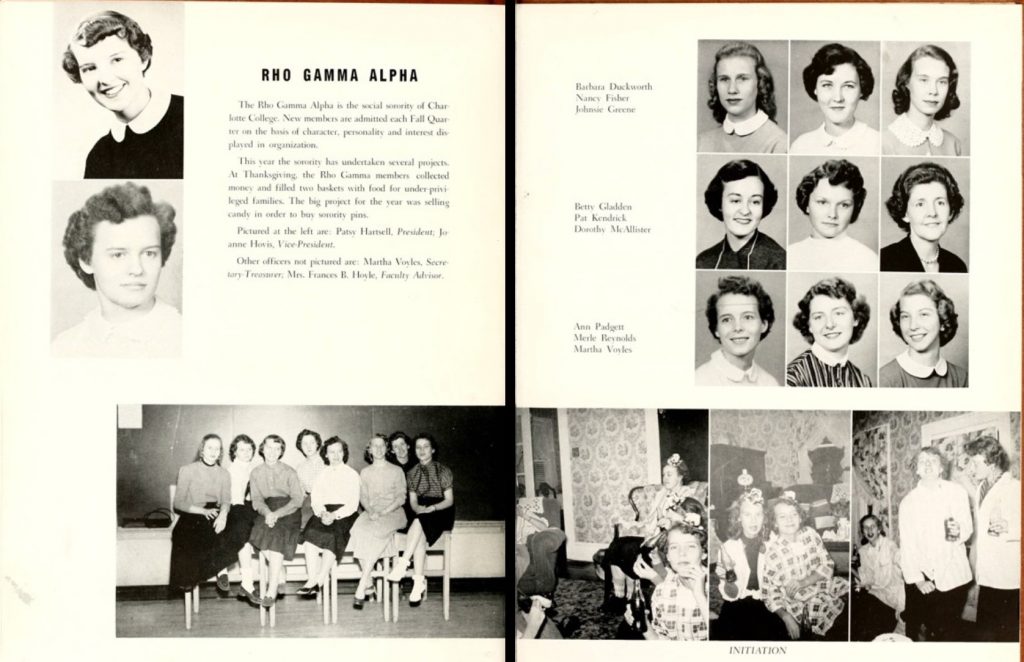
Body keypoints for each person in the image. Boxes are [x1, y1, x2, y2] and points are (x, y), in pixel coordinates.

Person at [54, 182, 180, 358]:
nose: (137, 269)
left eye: (149, 253)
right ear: (86, 260)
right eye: (118, 255)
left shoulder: (184, 338)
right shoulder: (64, 347)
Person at [61, 10, 184, 178]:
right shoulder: (99, 156)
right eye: (89, 68)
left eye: (117, 60)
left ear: (143, 59)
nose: (105, 79)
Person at [602, 455, 703, 611]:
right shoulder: (661, 494)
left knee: (629, 550)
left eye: (669, 474)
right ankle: (620, 596)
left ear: (681, 476)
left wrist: (673, 520)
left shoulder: (688, 494)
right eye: (663, 474)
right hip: (653, 537)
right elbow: (649, 521)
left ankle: (629, 596)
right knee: (618, 544)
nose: (665, 478)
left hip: (668, 542)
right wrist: (626, 522)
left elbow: (694, 521)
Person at [898, 447, 972, 641]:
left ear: (942, 468)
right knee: (924, 632)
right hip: (924, 577)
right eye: (923, 461)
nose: (928, 464)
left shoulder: (957, 492)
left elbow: (966, 528)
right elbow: (908, 545)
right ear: (917, 470)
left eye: (933, 460)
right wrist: (918, 580)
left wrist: (959, 532)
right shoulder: (908, 503)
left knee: (949, 632)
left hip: (954, 575)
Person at [761, 494, 849, 640]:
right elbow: (769, 594)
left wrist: (804, 582)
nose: (789, 520)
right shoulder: (773, 554)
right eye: (782, 517)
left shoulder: (811, 534)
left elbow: (828, 564)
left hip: (823, 586)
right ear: (775, 523)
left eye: (793, 514)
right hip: (801, 603)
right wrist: (786, 617)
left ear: (800, 517)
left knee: (853, 594)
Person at [386, 434, 455, 606]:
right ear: (414, 451)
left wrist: (432, 508)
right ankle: (418, 582)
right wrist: (420, 510)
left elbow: (449, 500)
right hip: (422, 511)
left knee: (419, 522)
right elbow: (413, 503)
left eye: (426, 447)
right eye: (418, 447)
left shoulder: (443, 470)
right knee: (419, 534)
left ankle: (403, 564)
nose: (422, 451)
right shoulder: (412, 473)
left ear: (432, 450)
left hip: (442, 510)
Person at [712, 487, 789, 640]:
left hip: (770, 603)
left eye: (758, 514)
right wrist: (729, 571)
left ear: (764, 517)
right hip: (739, 605)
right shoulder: (728, 548)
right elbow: (731, 595)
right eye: (747, 514)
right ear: (738, 517)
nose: (754, 521)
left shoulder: (774, 541)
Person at [964, 436, 1020, 642]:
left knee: (1006, 638)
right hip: (987, 576)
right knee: (986, 637)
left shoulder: (1014, 487)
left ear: (992, 462)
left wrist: (1010, 527)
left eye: (975, 462)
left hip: (1007, 579)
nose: (971, 467)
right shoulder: (981, 488)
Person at [626, 511, 710, 640]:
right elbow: (660, 643)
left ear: (704, 553)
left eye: (691, 546)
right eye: (674, 547)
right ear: (668, 556)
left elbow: (724, 639)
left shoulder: (716, 590)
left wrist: (699, 595)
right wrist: (644, 623)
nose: (682, 553)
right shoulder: (661, 593)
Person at [295, 437, 360, 598]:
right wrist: (322, 512)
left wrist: (335, 515)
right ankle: (311, 580)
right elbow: (316, 498)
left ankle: (320, 579)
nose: (336, 455)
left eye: (339, 451)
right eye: (332, 452)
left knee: (332, 535)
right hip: (324, 511)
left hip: (345, 514)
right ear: (326, 455)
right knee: (310, 536)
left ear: (344, 453)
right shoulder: (322, 473)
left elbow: (352, 504)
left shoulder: (351, 474)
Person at [349, 434, 408, 608]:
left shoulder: (396, 470)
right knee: (357, 530)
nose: (379, 449)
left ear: (387, 448)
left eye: (382, 445)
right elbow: (363, 497)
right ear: (369, 450)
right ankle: (368, 582)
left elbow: (400, 498)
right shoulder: (365, 472)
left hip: (394, 512)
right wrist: (371, 511)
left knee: (375, 532)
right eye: (375, 446)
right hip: (372, 512)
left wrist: (383, 511)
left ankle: (362, 584)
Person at [698, 42, 788, 153]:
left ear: (760, 83)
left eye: (743, 79)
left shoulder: (779, 144)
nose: (732, 90)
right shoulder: (702, 142)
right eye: (724, 79)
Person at [789, 160, 878, 272]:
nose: (832, 214)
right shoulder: (790, 256)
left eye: (844, 205)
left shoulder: (867, 260)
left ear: (854, 208)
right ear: (807, 204)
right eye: (822, 202)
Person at [247, 434, 304, 608]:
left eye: (277, 448)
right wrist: (267, 513)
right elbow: (256, 500)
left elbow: (297, 500)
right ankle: (279, 570)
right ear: (262, 449)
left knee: (277, 535)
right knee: (257, 533)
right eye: (269, 447)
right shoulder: (256, 472)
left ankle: (271, 590)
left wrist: (277, 514)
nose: (272, 452)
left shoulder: (289, 471)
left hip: (288, 511)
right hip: (266, 509)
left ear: (281, 452)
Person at [696, 160, 786, 270]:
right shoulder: (703, 261)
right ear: (719, 204)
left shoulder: (779, 261)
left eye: (755, 202)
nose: (745, 211)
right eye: (735, 201)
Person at [791, 44, 880, 155]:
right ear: (815, 89)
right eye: (827, 85)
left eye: (848, 86)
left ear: (861, 90)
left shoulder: (877, 144)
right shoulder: (800, 146)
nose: (837, 98)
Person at [169, 434, 230, 593]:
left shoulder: (224, 473)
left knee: (224, 530)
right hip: (194, 511)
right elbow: (179, 503)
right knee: (183, 532)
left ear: (220, 452)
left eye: (217, 448)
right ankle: (186, 578)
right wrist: (203, 511)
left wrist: (223, 515)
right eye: (210, 447)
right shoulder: (187, 470)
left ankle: (221, 570)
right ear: (202, 450)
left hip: (215, 511)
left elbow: (226, 500)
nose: (213, 451)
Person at [881, 162, 967, 273]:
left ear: (951, 211)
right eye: (920, 204)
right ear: (904, 214)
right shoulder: (884, 261)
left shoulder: (957, 266)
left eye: (940, 203)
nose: (932, 213)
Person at [879, 279, 967, 387]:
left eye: (923, 314)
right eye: (905, 316)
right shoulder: (885, 379)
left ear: (943, 322)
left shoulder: (961, 378)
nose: (913, 326)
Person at [786, 277, 873, 387]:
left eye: (839, 313)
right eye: (818, 317)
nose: (829, 324)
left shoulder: (863, 381)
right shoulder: (793, 378)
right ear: (809, 325)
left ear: (856, 318)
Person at [883, 45, 963, 156]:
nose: (933, 91)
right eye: (924, 80)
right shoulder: (883, 143)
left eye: (942, 82)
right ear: (906, 82)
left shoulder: (954, 144)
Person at [697, 275, 777, 386]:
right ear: (716, 329)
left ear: (763, 324)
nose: (738, 327)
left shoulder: (770, 383)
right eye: (727, 319)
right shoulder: (700, 381)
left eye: (748, 317)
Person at [220, 434, 260, 604]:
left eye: (249, 449)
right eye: (241, 449)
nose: (246, 452)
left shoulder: (256, 469)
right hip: (232, 508)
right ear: (234, 452)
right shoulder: (229, 470)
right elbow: (227, 498)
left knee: (248, 533)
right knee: (242, 531)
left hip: (250, 509)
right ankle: (229, 573)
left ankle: (246, 582)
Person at [851, 515, 905, 640]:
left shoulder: (889, 545)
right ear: (862, 532)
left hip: (892, 601)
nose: (869, 531)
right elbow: (867, 580)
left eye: (872, 527)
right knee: (855, 613)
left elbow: (898, 556)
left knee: (871, 631)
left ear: (879, 528)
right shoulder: (863, 551)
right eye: (865, 528)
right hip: (876, 596)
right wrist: (851, 570)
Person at [293, 429, 325, 587]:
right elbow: (299, 493)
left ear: (318, 443)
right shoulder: (300, 467)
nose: (309, 446)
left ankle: (317, 578)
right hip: (308, 503)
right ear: (300, 446)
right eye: (304, 443)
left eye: (312, 442)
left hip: (325, 502)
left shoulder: (326, 462)